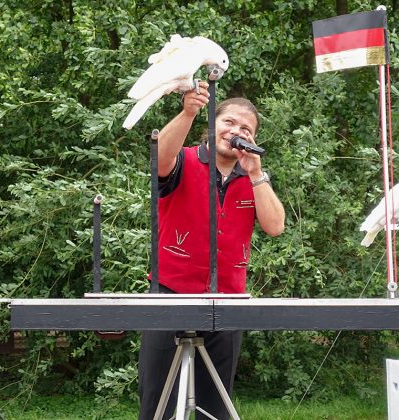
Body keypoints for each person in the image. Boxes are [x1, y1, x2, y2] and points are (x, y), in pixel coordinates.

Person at [138, 81, 285, 420]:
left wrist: (257, 174)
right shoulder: (185, 159)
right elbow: (160, 159)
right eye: (229, 122)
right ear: (213, 125)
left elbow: (275, 226)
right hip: (170, 295)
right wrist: (188, 111)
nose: (236, 131)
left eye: (245, 128)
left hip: (228, 302)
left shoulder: (252, 177)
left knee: (215, 408)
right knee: (157, 403)